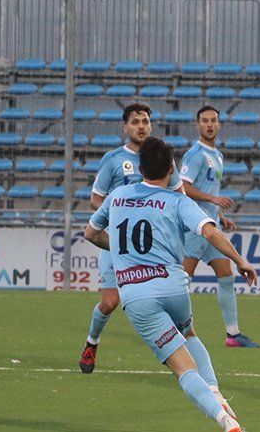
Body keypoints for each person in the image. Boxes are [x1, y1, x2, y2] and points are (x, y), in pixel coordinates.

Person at [84, 137, 256, 432]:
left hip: (137, 295)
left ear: (139, 168)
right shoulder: (177, 201)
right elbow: (210, 231)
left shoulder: (118, 196)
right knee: (189, 334)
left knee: (182, 368)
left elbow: (91, 233)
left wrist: (123, 253)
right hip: (173, 286)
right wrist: (240, 260)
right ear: (172, 169)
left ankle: (224, 419)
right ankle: (215, 392)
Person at [79, 103, 185, 374]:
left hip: (154, 247)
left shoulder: (162, 156)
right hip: (121, 245)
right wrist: (117, 213)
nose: (142, 126)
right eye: (136, 121)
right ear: (125, 127)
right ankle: (92, 342)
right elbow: (95, 198)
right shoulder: (114, 159)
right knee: (109, 303)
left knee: (167, 300)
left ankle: (182, 354)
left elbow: (179, 196)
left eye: (146, 121)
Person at [181, 106, 259, 348]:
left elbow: (208, 189)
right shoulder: (195, 154)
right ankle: (177, 330)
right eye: (204, 121)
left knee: (226, 276)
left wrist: (220, 214)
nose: (209, 125)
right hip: (196, 225)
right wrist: (213, 201)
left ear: (219, 124)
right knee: (183, 279)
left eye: (213, 120)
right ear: (198, 125)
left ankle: (233, 334)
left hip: (212, 224)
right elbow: (184, 187)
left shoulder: (217, 155)